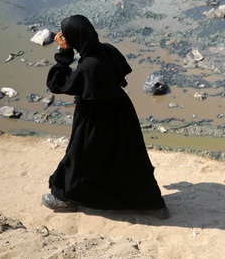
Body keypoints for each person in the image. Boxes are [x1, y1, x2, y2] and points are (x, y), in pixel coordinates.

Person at [42, 15, 169, 218]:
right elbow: (115, 78)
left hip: (95, 118)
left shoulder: (89, 65)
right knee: (128, 157)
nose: (63, 38)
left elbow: (57, 83)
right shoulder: (107, 50)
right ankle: (153, 204)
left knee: (79, 157)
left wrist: (64, 54)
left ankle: (65, 198)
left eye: (66, 36)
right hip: (121, 112)